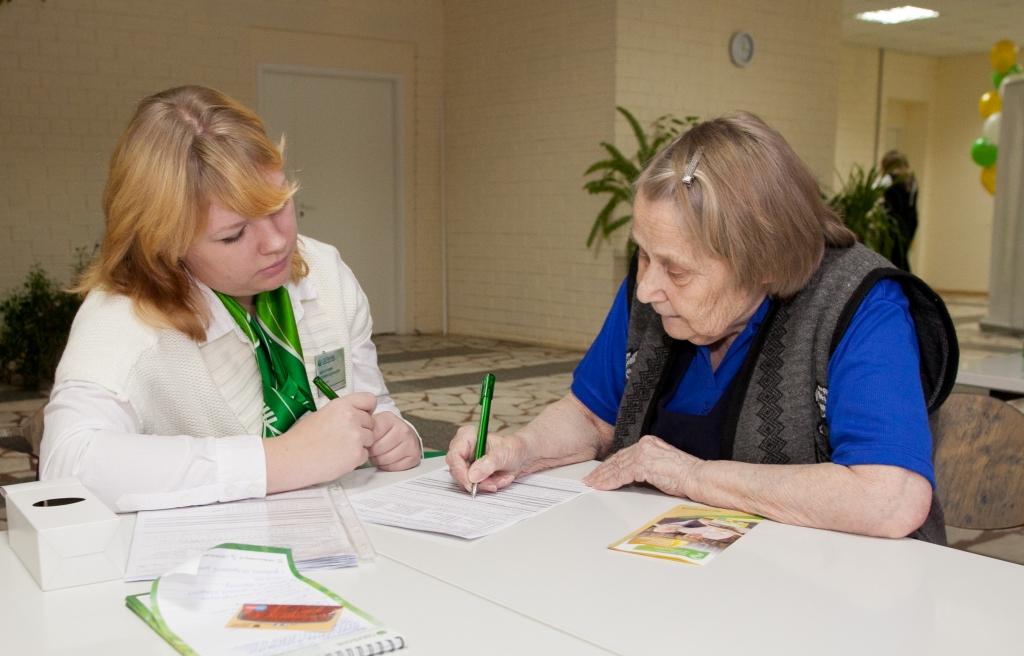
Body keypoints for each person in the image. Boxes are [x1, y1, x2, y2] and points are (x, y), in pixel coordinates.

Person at [448, 112, 957, 543]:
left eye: (675, 268)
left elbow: (890, 498)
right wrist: (522, 449)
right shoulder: (657, 295)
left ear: (764, 263)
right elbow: (591, 416)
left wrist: (692, 476)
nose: (646, 288)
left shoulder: (863, 307)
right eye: (642, 254)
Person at [40, 85, 422, 512]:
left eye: (279, 206)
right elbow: (65, 468)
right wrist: (278, 461)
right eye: (233, 234)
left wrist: (395, 433)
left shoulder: (326, 270)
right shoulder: (121, 318)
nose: (277, 243)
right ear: (164, 242)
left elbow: (375, 402)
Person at [880, 150, 918, 272]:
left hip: (893, 223)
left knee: (893, 258)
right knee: (902, 257)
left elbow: (873, 192)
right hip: (910, 222)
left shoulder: (888, 178)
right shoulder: (912, 179)